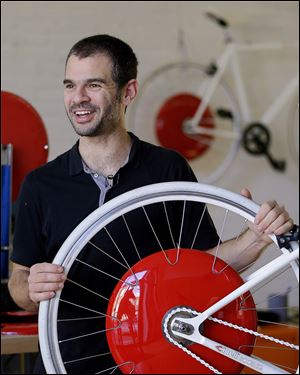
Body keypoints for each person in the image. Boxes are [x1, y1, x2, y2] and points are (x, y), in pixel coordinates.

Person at [8, 35, 293, 374]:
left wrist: (257, 237)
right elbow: (19, 283)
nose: (78, 98)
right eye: (70, 85)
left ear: (128, 92)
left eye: (93, 85)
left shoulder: (167, 170)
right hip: (67, 363)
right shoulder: (41, 184)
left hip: (156, 361)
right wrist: (31, 286)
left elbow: (206, 266)